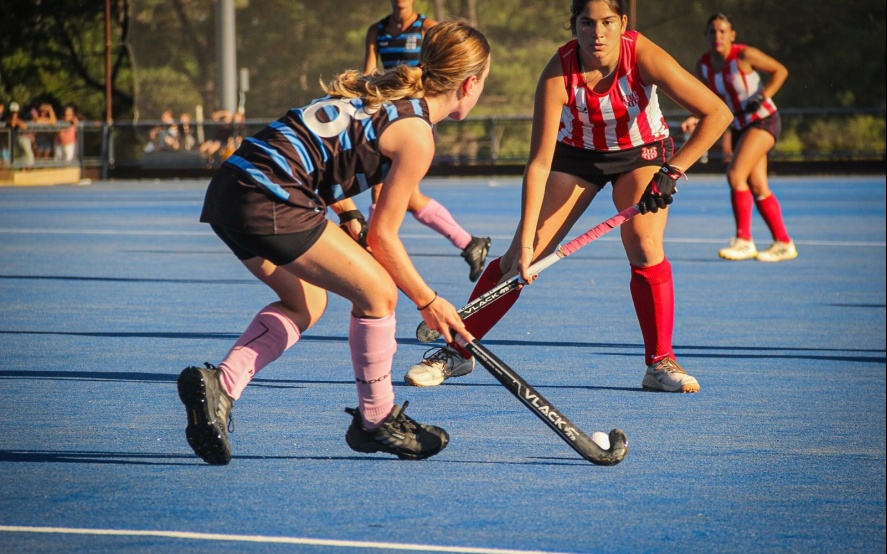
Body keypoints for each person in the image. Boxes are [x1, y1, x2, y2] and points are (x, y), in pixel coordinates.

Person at [177, 20, 491, 465]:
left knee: (306, 302)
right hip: (272, 198)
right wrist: (430, 301)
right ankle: (376, 420)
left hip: (231, 188)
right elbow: (384, 238)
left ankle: (222, 385)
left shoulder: (377, 93)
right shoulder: (417, 133)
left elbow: (322, 153)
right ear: (471, 83)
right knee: (378, 293)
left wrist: (348, 216)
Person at [403, 0, 732, 392]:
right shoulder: (557, 74)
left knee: (645, 244)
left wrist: (672, 171)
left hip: (641, 153)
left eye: (607, 22)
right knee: (518, 260)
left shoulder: (642, 54)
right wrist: (527, 245)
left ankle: (660, 362)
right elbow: (539, 164)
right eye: (587, 23)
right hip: (577, 156)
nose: (598, 33)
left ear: (622, 22)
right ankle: (458, 351)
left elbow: (718, 113)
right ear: (574, 25)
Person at [359, 0, 491, 282]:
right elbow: (368, 74)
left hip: (413, 117)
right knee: (409, 197)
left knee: (381, 188)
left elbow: (443, 69)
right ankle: (470, 243)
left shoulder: (427, 27)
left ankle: (371, 257)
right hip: (390, 113)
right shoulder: (377, 30)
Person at [681, 13, 796, 263]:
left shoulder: (744, 55)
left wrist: (763, 96)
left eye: (723, 31)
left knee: (735, 175)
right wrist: (696, 118)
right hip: (739, 126)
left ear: (732, 35)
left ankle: (744, 240)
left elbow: (780, 71)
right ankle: (783, 242)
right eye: (713, 32)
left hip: (763, 120)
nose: (718, 36)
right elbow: (710, 101)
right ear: (706, 36)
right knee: (758, 186)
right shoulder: (703, 66)